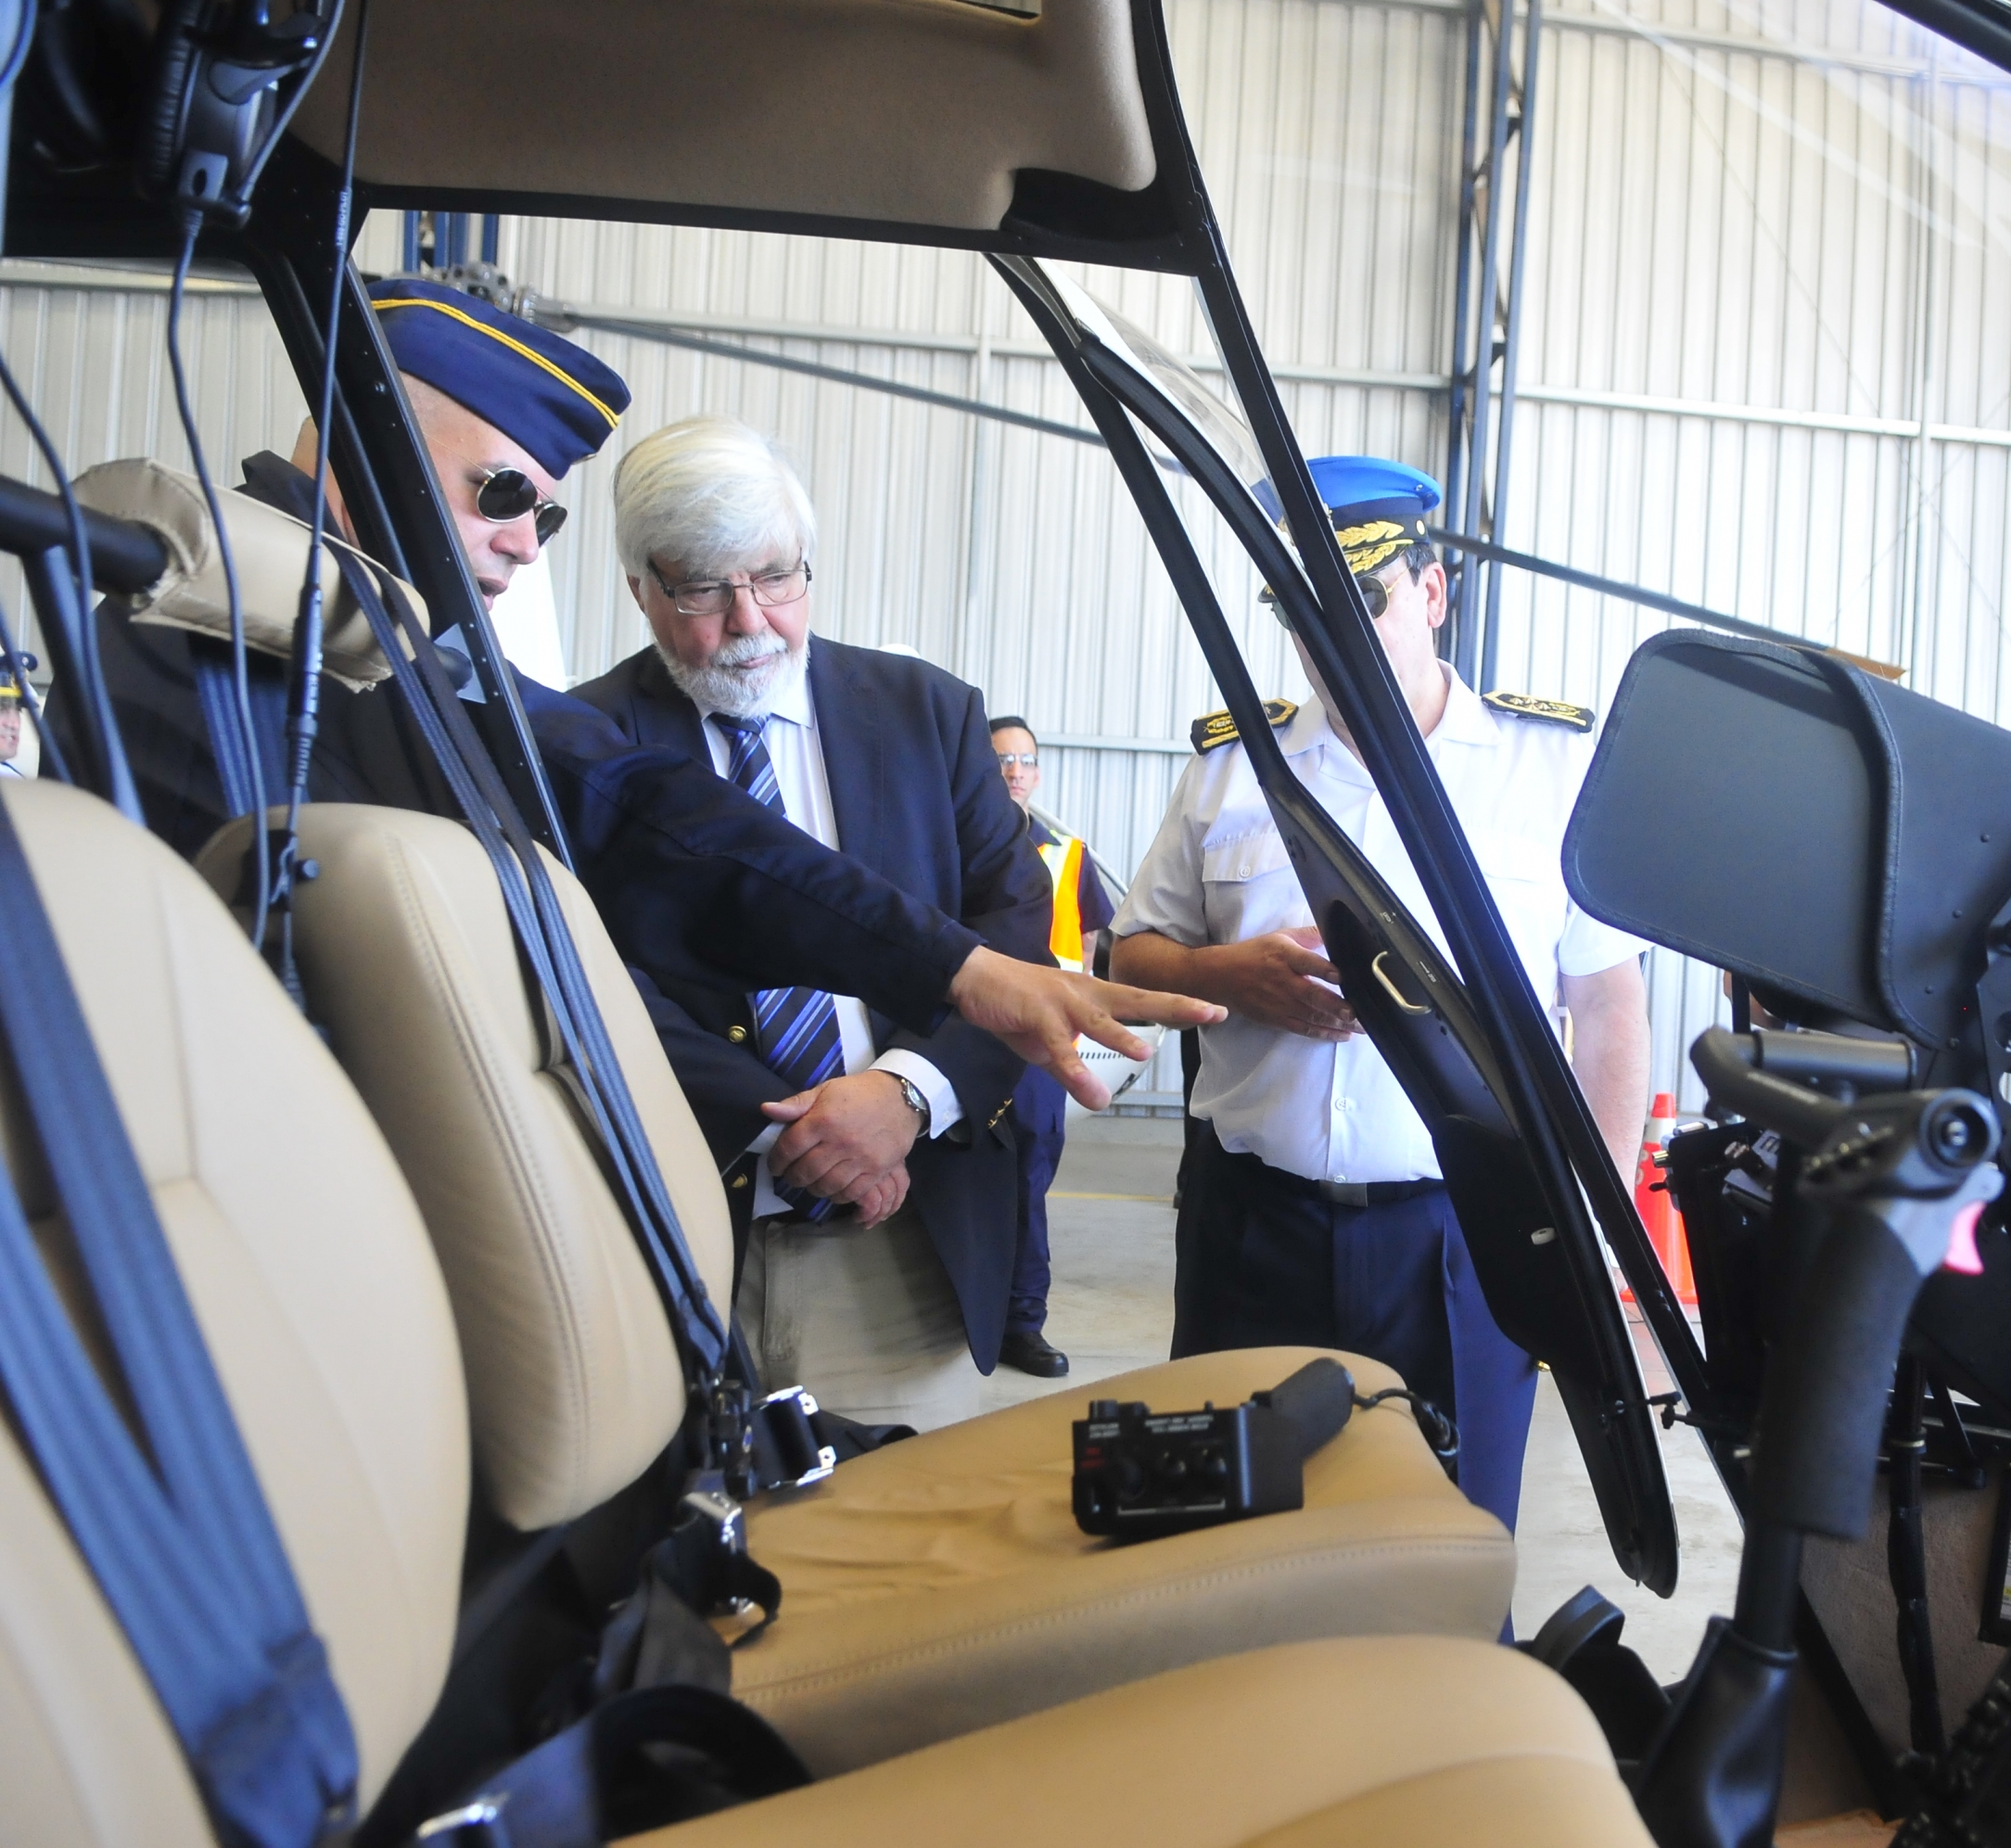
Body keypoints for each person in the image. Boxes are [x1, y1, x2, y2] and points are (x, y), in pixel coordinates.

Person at [79, 274, 1206, 1109]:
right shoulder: (224, 622)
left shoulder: (372, 635)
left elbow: (649, 811)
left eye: (544, 513)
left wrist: (957, 974)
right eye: (499, 492)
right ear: (358, 449)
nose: (525, 544)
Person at [1108, 455, 1651, 1530]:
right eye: (1305, 608)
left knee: (1450, 1554)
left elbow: (1607, 1007)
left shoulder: (1548, 770)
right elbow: (1131, 962)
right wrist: (1231, 978)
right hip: (1251, 1228)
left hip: (1468, 1237)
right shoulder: (1233, 767)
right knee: (1230, 1552)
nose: (1337, 633)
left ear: (1433, 591)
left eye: (1366, 596)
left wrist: (1599, 1234)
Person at [573, 416, 1041, 1431]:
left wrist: (904, 1095)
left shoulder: (930, 714)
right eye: (703, 589)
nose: (750, 622)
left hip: (906, 1242)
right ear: (640, 588)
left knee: (914, 1518)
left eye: (776, 577)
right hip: (679, 1242)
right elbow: (584, 977)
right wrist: (797, 1129)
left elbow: (1011, 928)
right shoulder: (580, 744)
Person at [987, 714, 1117, 1378]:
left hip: (1039, 1044)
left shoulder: (1067, 853)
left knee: (1029, 1177)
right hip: (966, 1033)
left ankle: (1021, 1321)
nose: (1015, 772)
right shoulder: (954, 841)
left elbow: (1087, 945)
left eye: (1025, 760)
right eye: (1001, 760)